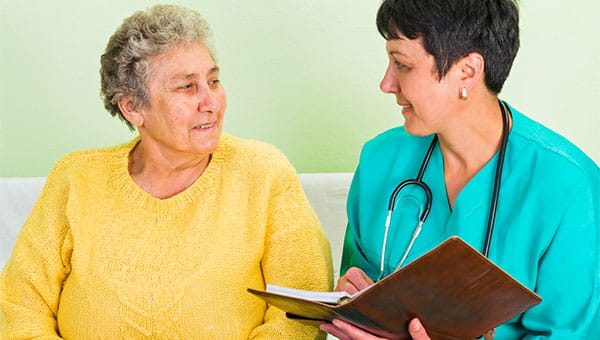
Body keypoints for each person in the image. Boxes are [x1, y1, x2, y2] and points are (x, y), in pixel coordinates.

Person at [0, 5, 333, 339]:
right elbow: (21, 307)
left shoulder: (263, 172)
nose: (211, 102)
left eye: (213, 81)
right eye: (186, 87)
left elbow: (301, 311)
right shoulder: (75, 177)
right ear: (132, 107)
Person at [321, 0, 599, 339]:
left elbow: (570, 332)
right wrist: (353, 304)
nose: (386, 83)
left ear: (467, 71)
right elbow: (358, 291)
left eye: (402, 64)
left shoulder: (567, 185)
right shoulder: (380, 160)